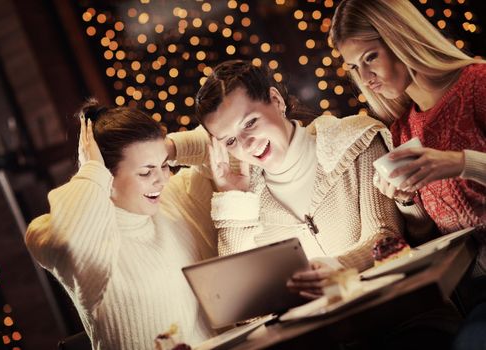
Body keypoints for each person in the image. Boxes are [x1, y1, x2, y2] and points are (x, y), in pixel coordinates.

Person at [167, 59, 404, 300]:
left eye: (250, 123)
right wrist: (235, 201)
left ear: (276, 100)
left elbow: (386, 235)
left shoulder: (355, 139)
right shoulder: (247, 197)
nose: (247, 144)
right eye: (230, 141)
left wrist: (338, 266)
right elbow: (240, 302)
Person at [330, 0, 485, 348]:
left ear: (401, 38)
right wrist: (405, 200)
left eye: (370, 57)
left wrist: (461, 162)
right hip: (471, 291)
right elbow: (427, 233)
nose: (365, 78)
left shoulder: (478, 83)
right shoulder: (403, 129)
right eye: (355, 66)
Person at [25, 100, 217, 350]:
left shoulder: (173, 200)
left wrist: (169, 147)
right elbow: (67, 241)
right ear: (107, 177)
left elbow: (227, 144)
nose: (161, 179)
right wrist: (92, 169)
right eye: (145, 172)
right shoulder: (78, 235)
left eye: (164, 165)